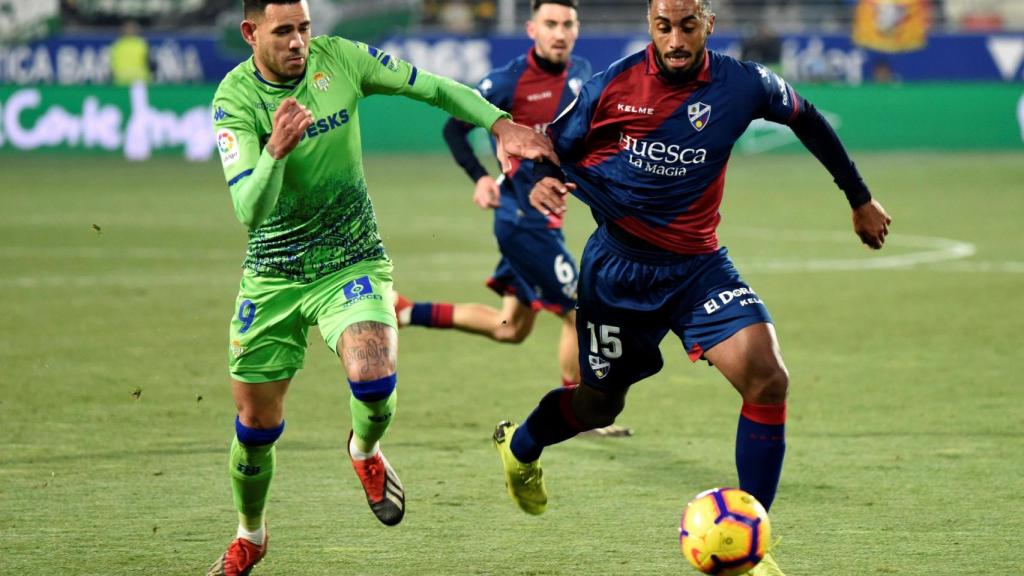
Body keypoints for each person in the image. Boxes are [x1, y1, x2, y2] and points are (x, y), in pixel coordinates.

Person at [492, 1, 892, 575]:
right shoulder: (611, 86)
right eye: (663, 26)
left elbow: (805, 116)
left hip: (698, 268)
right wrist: (544, 180)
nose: (675, 40)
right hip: (618, 273)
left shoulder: (745, 83)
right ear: (650, 24)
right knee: (598, 402)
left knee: (767, 376)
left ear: (709, 22)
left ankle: (753, 550)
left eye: (687, 26)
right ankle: (522, 446)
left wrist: (858, 196)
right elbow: (546, 145)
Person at [206, 1, 554, 574]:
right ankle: (252, 534)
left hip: (351, 259)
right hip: (272, 277)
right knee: (256, 429)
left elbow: (434, 88)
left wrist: (498, 122)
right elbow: (250, 208)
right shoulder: (235, 100)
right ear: (250, 33)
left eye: (304, 28)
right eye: (283, 31)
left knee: (373, 378)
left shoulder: (340, 60)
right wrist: (274, 151)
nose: (298, 42)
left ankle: (363, 450)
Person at [395, 0, 631, 438]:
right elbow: (454, 129)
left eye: (567, 24)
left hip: (544, 219)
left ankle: (407, 311)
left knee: (511, 328)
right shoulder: (506, 82)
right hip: (522, 220)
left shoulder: (580, 74)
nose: (559, 33)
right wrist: (481, 177)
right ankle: (581, 412)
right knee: (578, 309)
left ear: (576, 30)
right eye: (550, 24)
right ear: (531, 29)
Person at [109, 21, 150, 86]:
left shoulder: (141, 43)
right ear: (123, 30)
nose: (130, 30)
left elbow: (147, 61)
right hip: (121, 80)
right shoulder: (118, 44)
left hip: (139, 79)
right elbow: (113, 62)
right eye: (128, 28)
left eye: (132, 28)